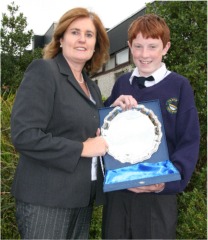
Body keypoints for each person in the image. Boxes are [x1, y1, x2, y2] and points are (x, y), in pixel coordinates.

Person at [10, 7, 136, 239]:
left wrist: (112, 112)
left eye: (89, 35)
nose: (82, 39)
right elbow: (24, 135)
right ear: (60, 39)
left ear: (96, 44)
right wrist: (83, 148)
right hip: (47, 200)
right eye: (74, 32)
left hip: (81, 199)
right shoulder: (44, 72)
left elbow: (87, 126)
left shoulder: (93, 88)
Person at [102, 14, 200, 239]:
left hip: (158, 198)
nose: (144, 55)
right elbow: (105, 133)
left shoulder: (179, 86)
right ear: (129, 47)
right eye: (138, 46)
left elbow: (189, 140)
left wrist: (164, 183)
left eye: (152, 46)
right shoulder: (121, 84)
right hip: (119, 195)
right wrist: (110, 108)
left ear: (165, 47)